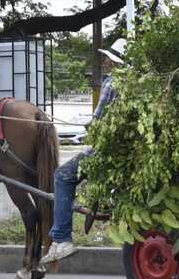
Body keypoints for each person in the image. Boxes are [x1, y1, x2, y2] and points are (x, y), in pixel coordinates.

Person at [42, 39, 126, 263]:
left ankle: (62, 238)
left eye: (109, 59)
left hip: (105, 150)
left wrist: (90, 126)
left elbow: (97, 121)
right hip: (122, 149)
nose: (106, 61)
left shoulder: (112, 83)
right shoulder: (133, 83)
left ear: (115, 63)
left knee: (61, 176)